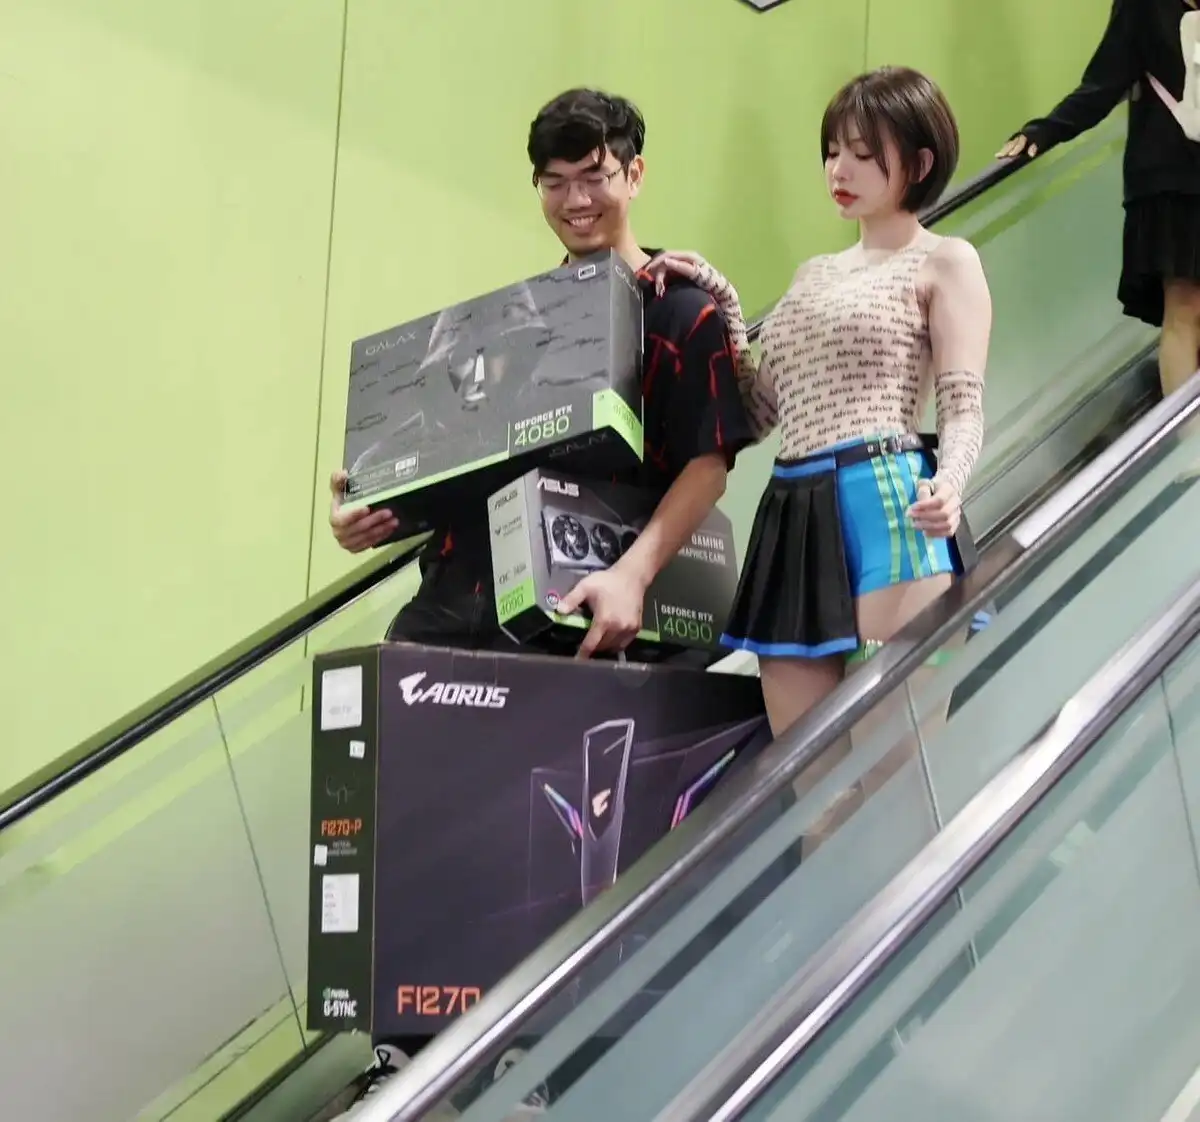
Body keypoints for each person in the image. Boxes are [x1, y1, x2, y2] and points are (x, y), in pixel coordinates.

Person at [320, 88, 755, 1120]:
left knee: (557, 845)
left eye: (594, 176)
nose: (575, 200)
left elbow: (708, 462)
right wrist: (379, 508)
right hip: (456, 601)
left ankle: (545, 1067)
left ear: (634, 174)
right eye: (554, 183)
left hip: (590, 615)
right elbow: (472, 461)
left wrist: (635, 574)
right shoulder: (517, 326)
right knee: (418, 821)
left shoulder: (681, 308)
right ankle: (406, 1055)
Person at [644, 66, 992, 748]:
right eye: (833, 151)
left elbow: (962, 405)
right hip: (791, 510)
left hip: (890, 503)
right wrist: (722, 299)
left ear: (920, 163)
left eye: (863, 153)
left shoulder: (945, 260)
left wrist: (951, 482)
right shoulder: (812, 275)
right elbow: (758, 410)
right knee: (809, 781)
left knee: (894, 775)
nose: (840, 169)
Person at [998, 0, 1200, 397]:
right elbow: (1103, 83)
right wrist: (1045, 130)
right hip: (1170, 180)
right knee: (1185, 305)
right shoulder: (1143, 6)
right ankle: (1185, 436)